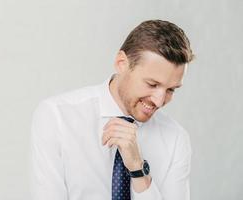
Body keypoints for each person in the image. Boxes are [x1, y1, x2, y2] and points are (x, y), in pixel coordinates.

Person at [30, 19, 194, 200]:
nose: (160, 100)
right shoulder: (57, 117)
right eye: (152, 84)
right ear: (122, 63)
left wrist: (138, 170)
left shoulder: (176, 139)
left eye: (171, 89)